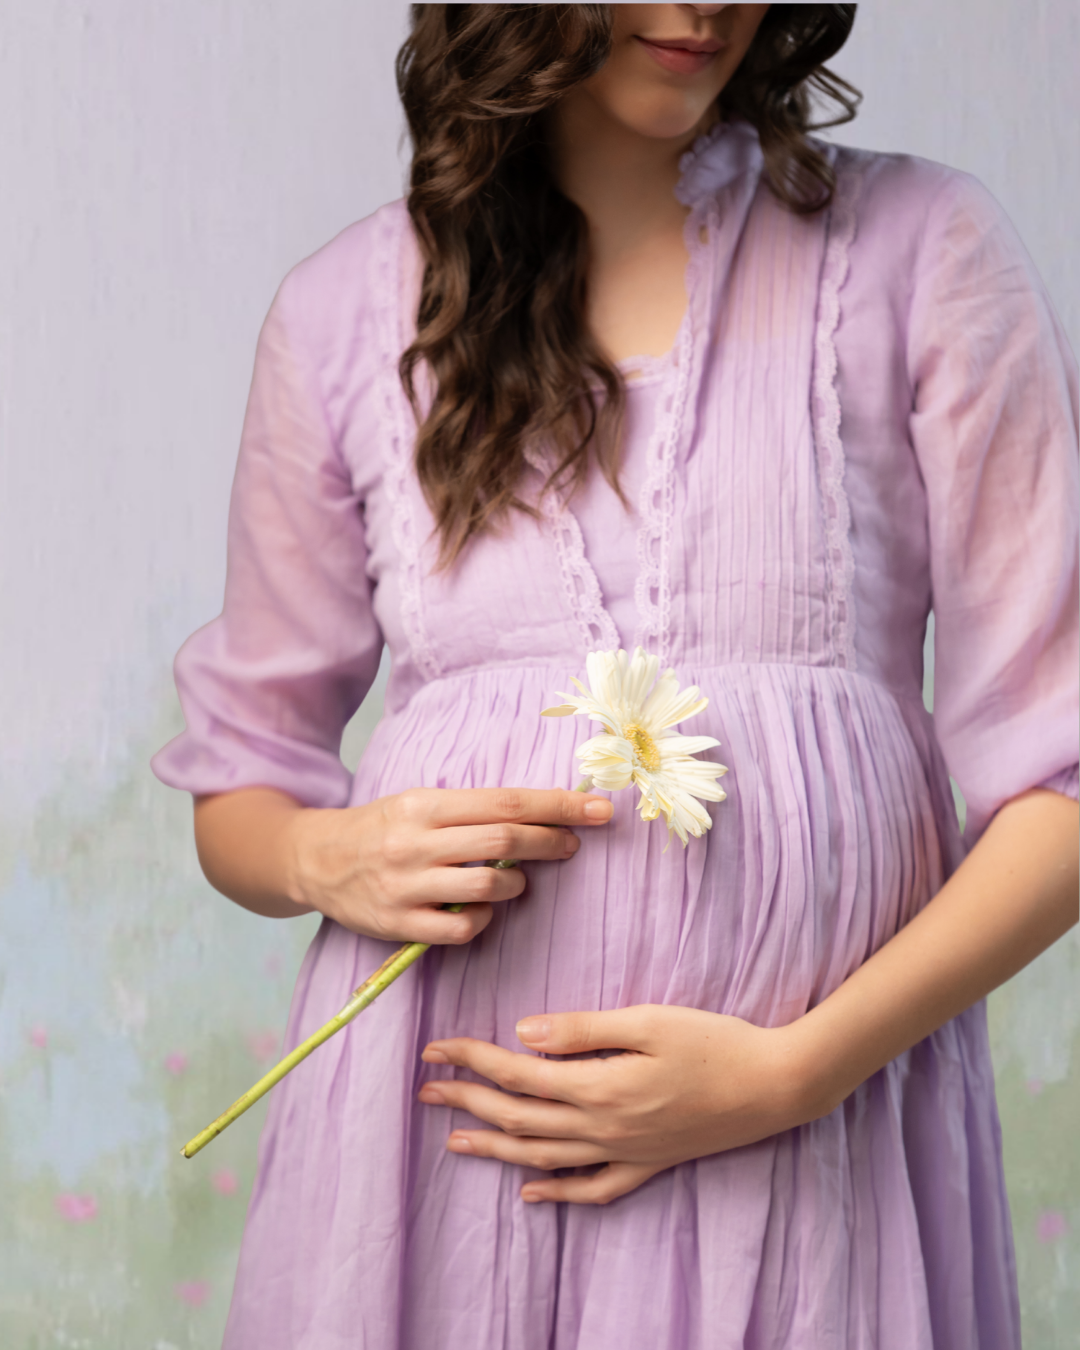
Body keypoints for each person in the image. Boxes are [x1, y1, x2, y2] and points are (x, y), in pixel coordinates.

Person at [152, 5, 1079, 1347]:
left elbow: (1060, 784)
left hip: (818, 1168)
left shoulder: (925, 257)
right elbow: (240, 787)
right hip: (439, 1176)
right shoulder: (341, 318)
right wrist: (325, 860)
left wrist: (791, 1073)